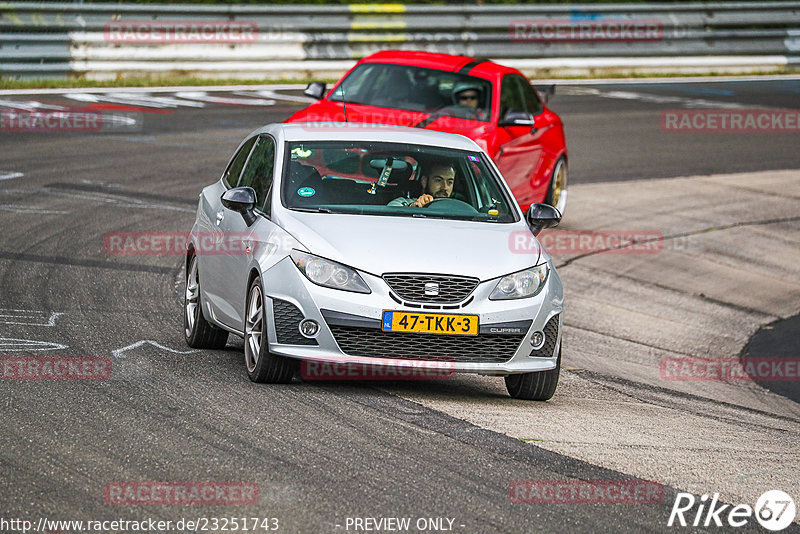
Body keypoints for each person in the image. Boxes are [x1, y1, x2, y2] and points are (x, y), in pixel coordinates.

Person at [388, 162, 456, 208]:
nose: (444, 187)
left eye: (449, 182)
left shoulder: (459, 209)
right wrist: (413, 207)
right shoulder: (401, 203)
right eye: (438, 180)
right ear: (424, 181)